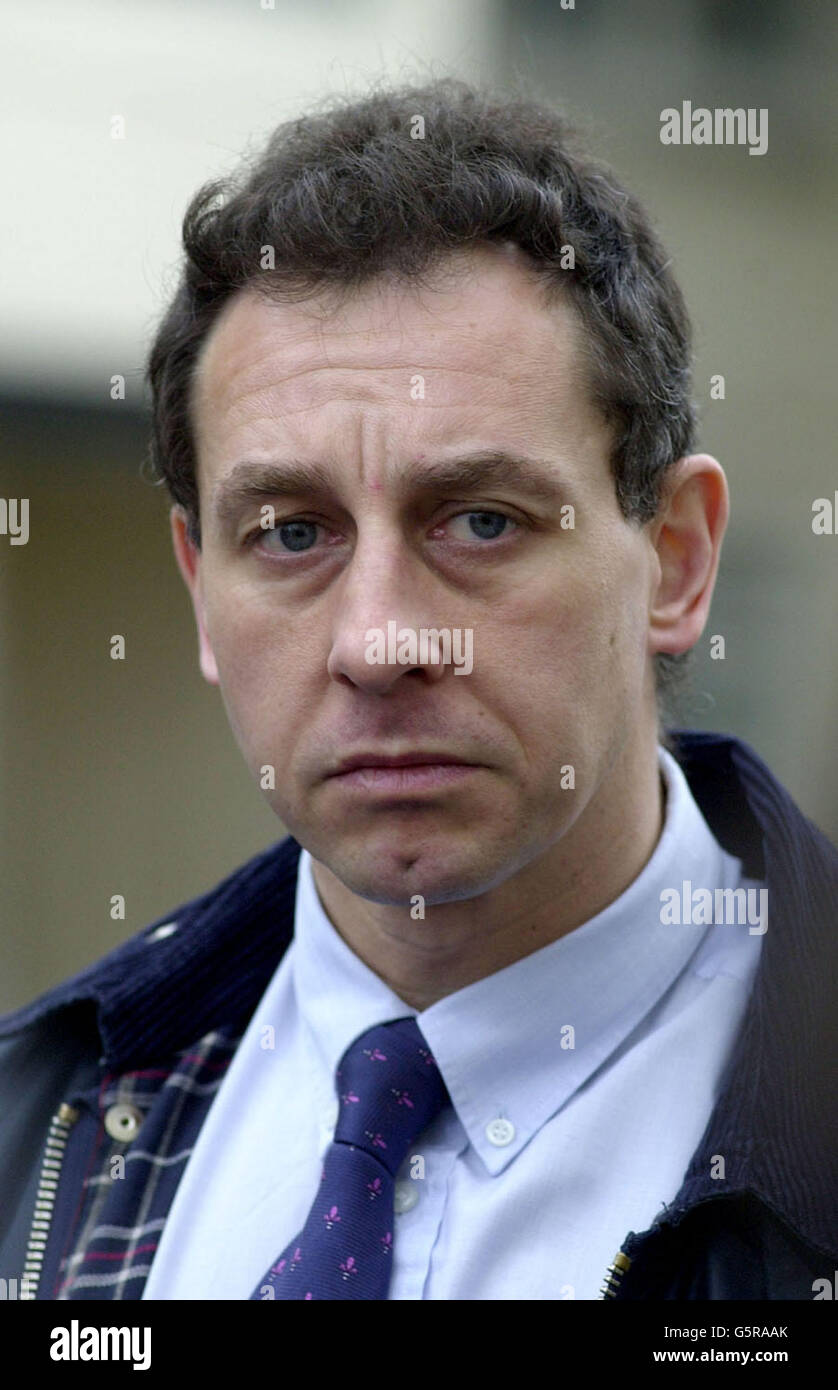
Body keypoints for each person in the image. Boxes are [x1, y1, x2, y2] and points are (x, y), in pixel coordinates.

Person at [1, 77, 835, 1303]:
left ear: (674, 560)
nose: (380, 640)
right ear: (200, 589)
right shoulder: (41, 1118)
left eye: (480, 520)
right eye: (292, 535)